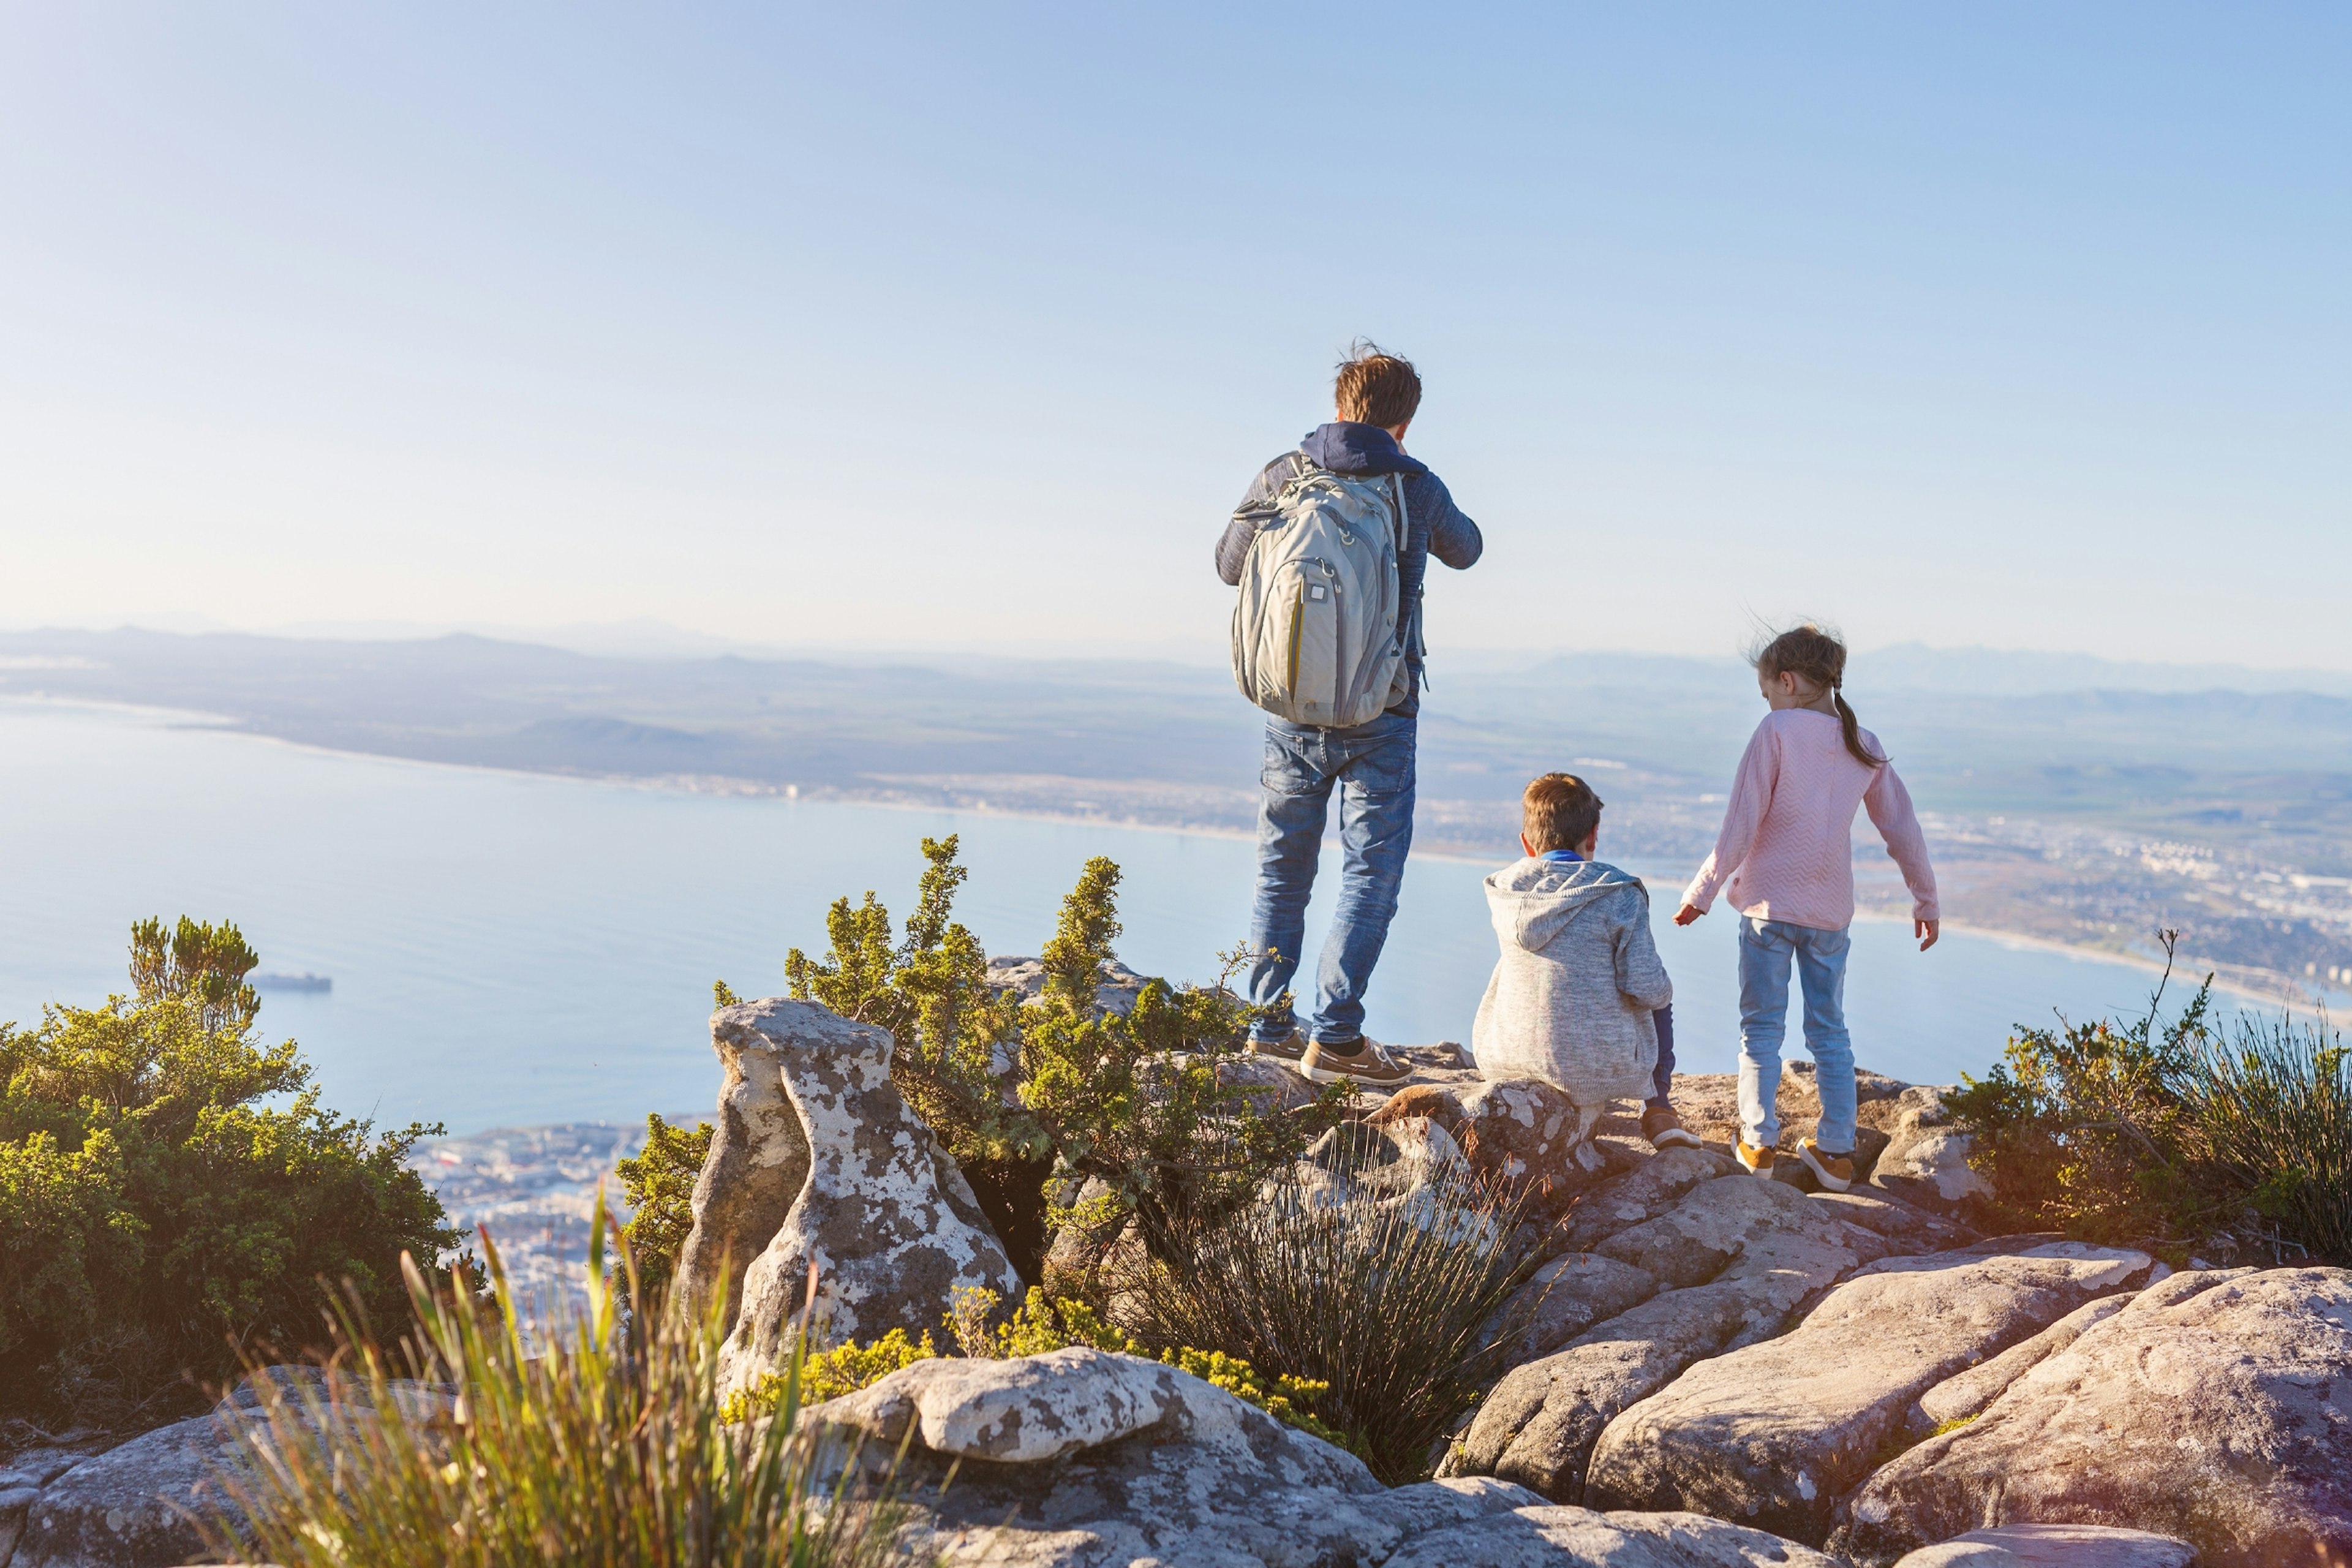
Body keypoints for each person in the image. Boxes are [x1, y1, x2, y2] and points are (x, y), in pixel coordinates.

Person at [1215, 344, 1482, 1087]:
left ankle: (1267, 1023)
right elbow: (1469, 550)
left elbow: (1228, 565)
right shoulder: (1413, 483)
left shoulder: (1283, 473)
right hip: (1383, 710)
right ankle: (1335, 1036)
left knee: (1282, 869)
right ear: (1405, 420)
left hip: (1291, 708)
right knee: (1370, 873)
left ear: (1339, 407)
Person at [1675, 624, 1940, 1192]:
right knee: (1830, 1032)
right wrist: (1926, 899)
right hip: (1829, 916)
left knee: (1760, 1031)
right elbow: (1902, 828)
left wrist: (1702, 891)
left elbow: (1740, 824)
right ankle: (1838, 1153)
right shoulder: (1862, 742)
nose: (1767, 700)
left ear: (1788, 682)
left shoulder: (1776, 730)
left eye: (1767, 689)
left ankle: (1758, 1142)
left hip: (1768, 911)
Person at [1471, 773, 1698, 1150]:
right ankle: (1658, 1107)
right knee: (1658, 991)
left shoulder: (1505, 891)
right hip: (1590, 1070)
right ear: (1593, 835)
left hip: (1503, 1057)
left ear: (1526, 843)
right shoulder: (1617, 894)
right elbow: (1646, 987)